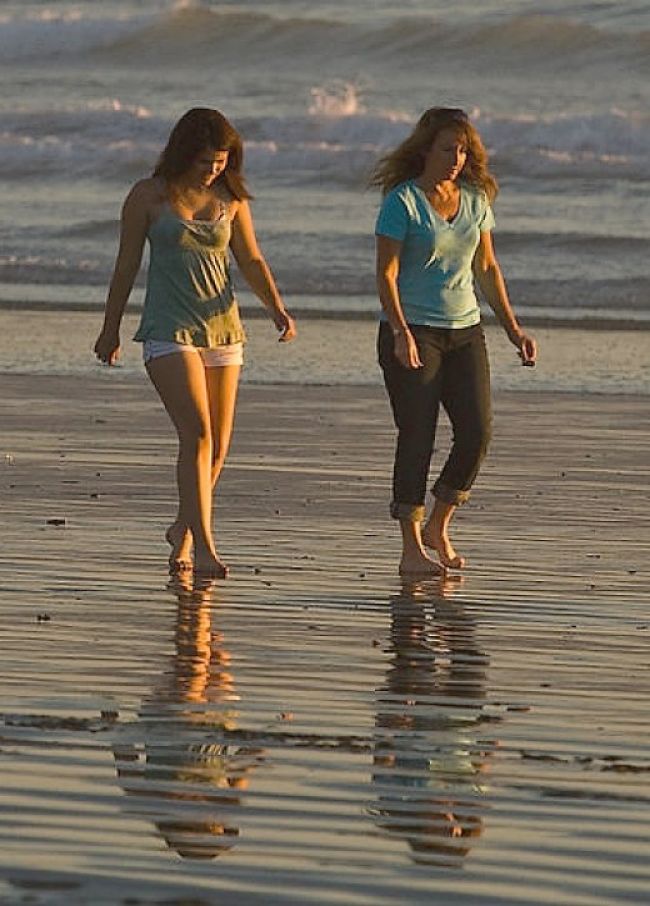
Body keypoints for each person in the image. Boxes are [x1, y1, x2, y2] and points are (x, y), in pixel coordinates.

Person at [94, 107, 296, 578]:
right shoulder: (148, 196)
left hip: (223, 329)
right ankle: (203, 545)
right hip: (168, 329)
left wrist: (277, 309)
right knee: (197, 435)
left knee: (220, 448)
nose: (214, 169)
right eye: (207, 160)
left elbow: (250, 258)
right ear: (184, 152)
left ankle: (183, 529)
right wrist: (110, 328)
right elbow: (125, 266)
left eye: (222, 161)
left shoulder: (232, 197)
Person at [370, 107, 536, 577]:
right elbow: (386, 272)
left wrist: (513, 328)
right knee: (417, 435)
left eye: (464, 150)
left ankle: (438, 524)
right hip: (413, 332)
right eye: (448, 149)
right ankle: (410, 548)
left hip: (465, 331)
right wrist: (400, 332)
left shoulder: (475, 199)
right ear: (426, 150)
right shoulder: (402, 202)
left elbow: (486, 268)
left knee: (477, 432)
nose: (457, 159)